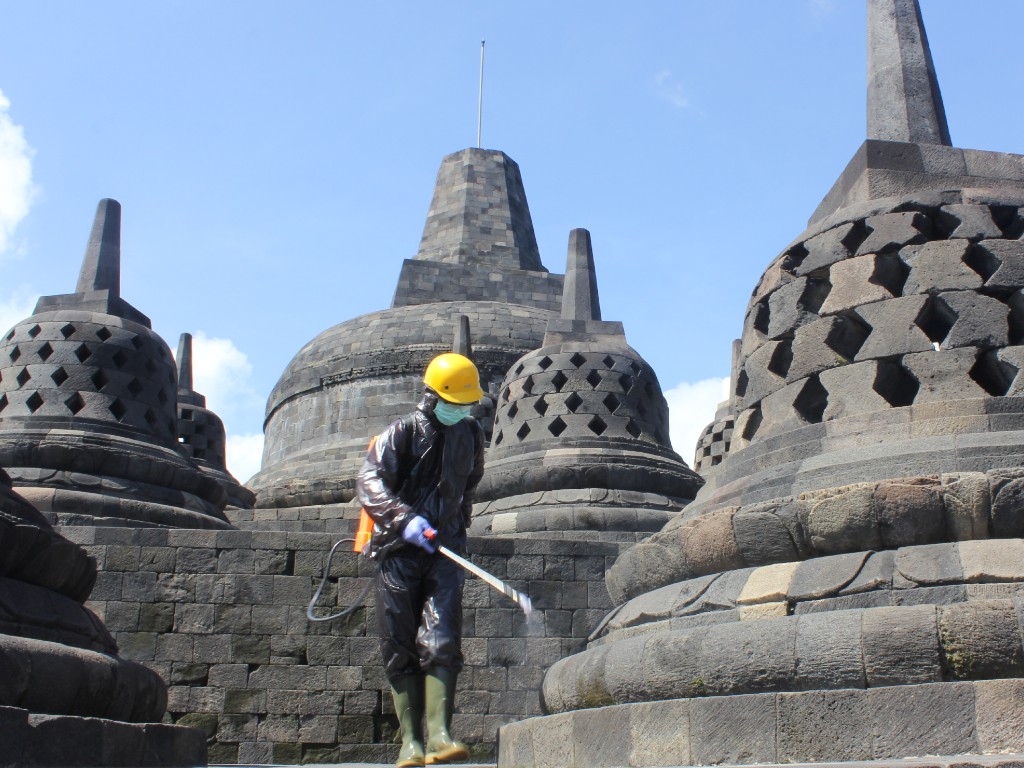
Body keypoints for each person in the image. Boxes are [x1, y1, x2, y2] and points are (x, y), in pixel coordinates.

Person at [356, 352, 485, 767]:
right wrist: (403, 519)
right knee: (398, 642)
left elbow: (467, 487)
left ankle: (441, 736)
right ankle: (410, 741)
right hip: (399, 550)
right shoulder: (402, 432)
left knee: (442, 638)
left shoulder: (471, 435)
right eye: (454, 402)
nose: (460, 410)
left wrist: (456, 529)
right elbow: (369, 480)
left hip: (444, 551)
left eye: (466, 404)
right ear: (431, 396)